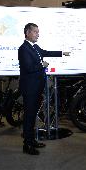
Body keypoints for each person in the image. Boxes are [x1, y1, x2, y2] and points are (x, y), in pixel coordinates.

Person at [18, 23, 70, 155]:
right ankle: (27, 145)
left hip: (36, 88)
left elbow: (46, 52)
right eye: (35, 32)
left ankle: (31, 140)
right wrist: (42, 64)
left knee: (32, 115)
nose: (38, 34)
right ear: (27, 33)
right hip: (30, 89)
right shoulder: (23, 49)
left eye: (38, 32)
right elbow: (29, 68)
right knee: (29, 116)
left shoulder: (34, 47)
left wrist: (61, 53)